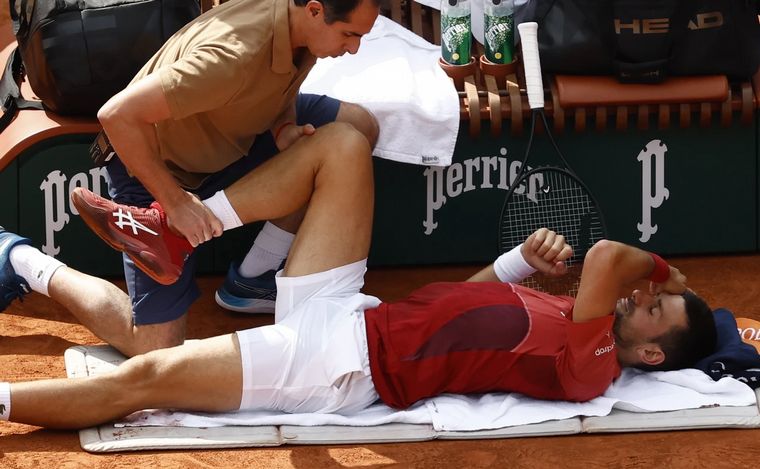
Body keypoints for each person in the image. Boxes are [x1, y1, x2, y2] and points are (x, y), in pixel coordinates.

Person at [0, 131, 717, 426]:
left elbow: (609, 257)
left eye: (655, 310)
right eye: (655, 293)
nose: (641, 296)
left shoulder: (590, 364)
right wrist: (519, 265)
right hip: (350, 310)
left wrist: (667, 269)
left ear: (649, 355)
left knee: (146, 375)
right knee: (341, 146)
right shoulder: (572, 325)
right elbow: (456, 310)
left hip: (338, 364)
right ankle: (173, 229)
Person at [67, 0, 385, 354]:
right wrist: (174, 203)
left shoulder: (303, 32)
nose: (354, 48)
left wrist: (284, 128)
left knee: (357, 128)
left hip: (236, 135)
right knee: (155, 350)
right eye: (350, 34)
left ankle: (253, 277)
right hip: (154, 167)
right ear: (313, 10)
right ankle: (25, 264)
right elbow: (116, 115)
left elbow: (280, 86)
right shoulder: (233, 55)